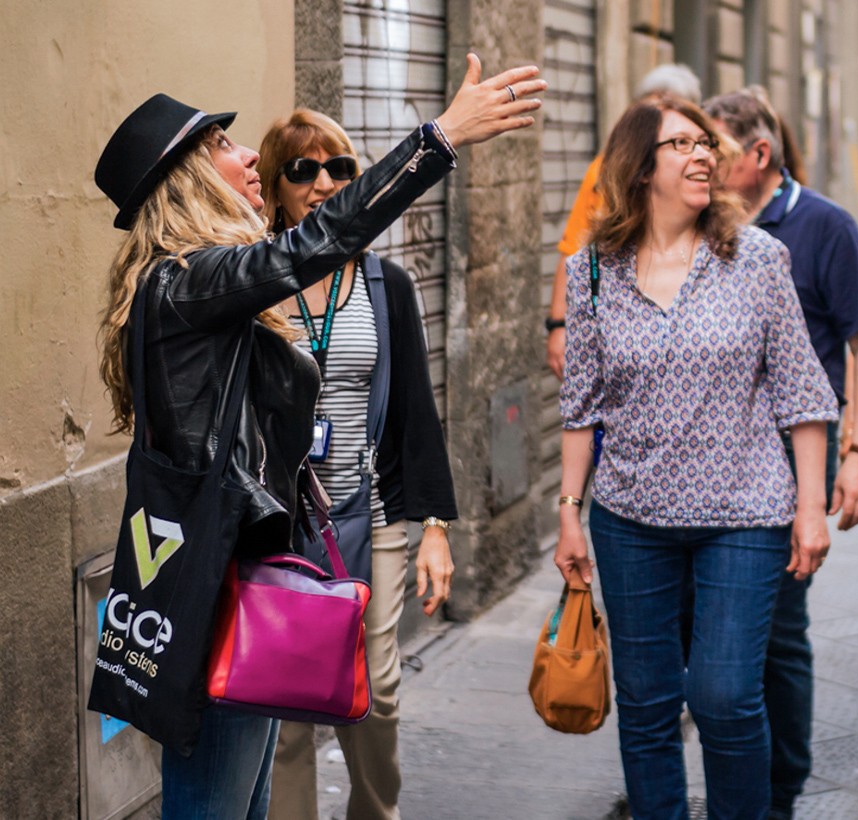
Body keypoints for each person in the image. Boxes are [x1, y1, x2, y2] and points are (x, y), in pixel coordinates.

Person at [92, 58, 542, 818]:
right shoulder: (189, 281)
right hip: (221, 586)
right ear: (188, 180)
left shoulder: (187, 284)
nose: (246, 156)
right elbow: (317, 243)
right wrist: (439, 138)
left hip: (237, 569)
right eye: (221, 146)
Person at [553, 97, 839, 819]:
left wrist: (810, 510)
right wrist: (569, 513)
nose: (704, 154)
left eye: (706, 142)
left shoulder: (757, 259)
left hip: (744, 514)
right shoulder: (592, 272)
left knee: (724, 695)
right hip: (630, 521)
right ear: (640, 167)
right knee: (646, 704)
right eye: (682, 144)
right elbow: (581, 407)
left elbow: (804, 393)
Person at [258, 109, 458, 820]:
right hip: (279, 524)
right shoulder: (257, 282)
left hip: (370, 514)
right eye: (303, 169)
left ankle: (377, 811)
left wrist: (435, 526)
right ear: (274, 186)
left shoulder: (384, 284)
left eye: (339, 168)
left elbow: (414, 411)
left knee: (376, 690)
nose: (324, 183)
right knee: (285, 704)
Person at [704, 87, 858, 818]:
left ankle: (778, 792)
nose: (700, 161)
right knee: (705, 633)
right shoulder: (697, 222)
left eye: (713, 148)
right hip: (705, 456)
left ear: (759, 154)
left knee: (777, 630)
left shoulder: (823, 226)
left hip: (791, 453)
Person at [544, 64, 703, 379]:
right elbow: (573, 248)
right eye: (649, 108)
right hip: (614, 324)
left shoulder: (701, 173)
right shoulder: (603, 170)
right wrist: (558, 325)